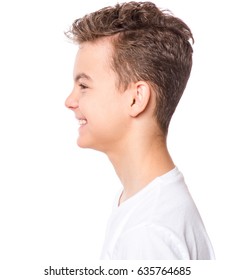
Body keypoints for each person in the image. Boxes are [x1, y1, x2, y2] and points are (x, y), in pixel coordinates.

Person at [65, 1, 215, 260]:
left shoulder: (147, 232)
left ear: (136, 99)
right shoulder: (144, 205)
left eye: (84, 86)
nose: (70, 101)